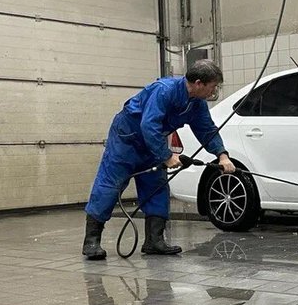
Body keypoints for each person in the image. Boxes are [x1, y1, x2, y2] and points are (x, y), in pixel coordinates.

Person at [82, 59, 236, 260]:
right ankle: (91, 241)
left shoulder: (196, 104)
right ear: (199, 83)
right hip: (127, 139)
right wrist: (167, 156)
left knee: (156, 186)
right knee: (111, 184)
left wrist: (222, 155)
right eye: (213, 86)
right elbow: (149, 125)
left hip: (154, 143)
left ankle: (154, 240)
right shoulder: (164, 90)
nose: (214, 91)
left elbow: (206, 129)